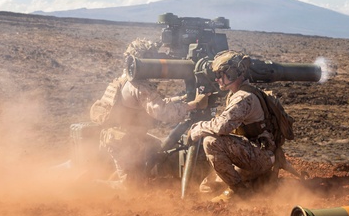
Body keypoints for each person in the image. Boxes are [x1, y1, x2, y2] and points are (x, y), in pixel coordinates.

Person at [90, 39, 205, 186]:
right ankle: (93, 187)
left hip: (123, 135)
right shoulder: (138, 86)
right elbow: (162, 112)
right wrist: (193, 105)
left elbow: (152, 104)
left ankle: (139, 176)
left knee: (156, 148)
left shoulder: (124, 80)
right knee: (130, 188)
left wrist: (181, 99)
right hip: (123, 141)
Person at [187, 50, 276, 202]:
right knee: (206, 188)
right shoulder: (238, 94)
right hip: (253, 152)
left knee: (211, 142)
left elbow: (222, 126)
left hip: (260, 156)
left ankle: (241, 192)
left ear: (233, 73)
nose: (217, 79)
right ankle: (254, 182)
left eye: (220, 74)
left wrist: (198, 128)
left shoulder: (244, 98)